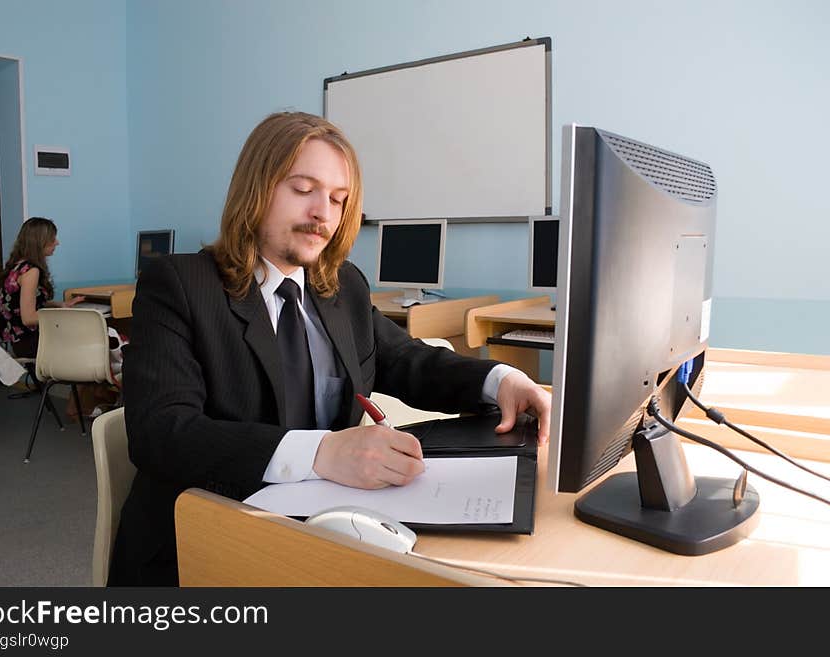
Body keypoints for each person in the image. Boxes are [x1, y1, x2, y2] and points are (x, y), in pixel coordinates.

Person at [108, 111, 551, 586]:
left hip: (325, 533)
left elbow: (405, 359)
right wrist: (322, 452)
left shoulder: (341, 288)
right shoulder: (180, 285)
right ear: (255, 188)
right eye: (303, 190)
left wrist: (502, 379)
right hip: (207, 545)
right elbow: (162, 432)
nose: (324, 213)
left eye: (339, 200)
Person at [0, 217, 85, 357]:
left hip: (17, 341)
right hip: (30, 343)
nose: (57, 242)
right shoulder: (31, 271)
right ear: (39, 242)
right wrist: (64, 316)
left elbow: (23, 304)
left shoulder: (18, 266)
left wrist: (59, 305)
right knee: (92, 337)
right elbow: (28, 318)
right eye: (53, 239)